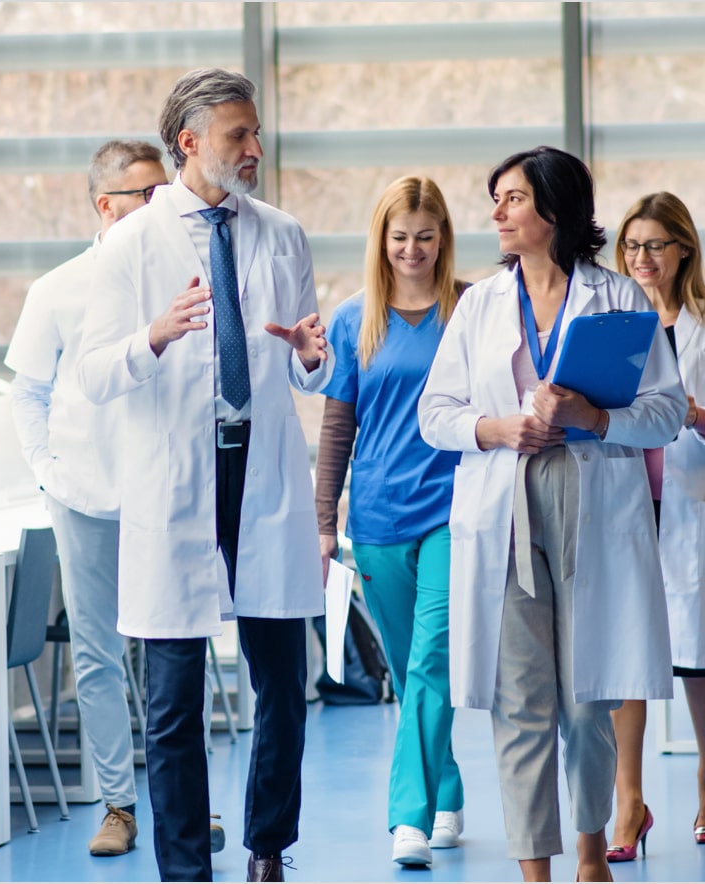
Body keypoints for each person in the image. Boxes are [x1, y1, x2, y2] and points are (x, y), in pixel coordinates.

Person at [77, 68, 333, 883]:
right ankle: (185, 868)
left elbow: (307, 366)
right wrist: (151, 336)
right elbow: (90, 374)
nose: (255, 149)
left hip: (261, 481)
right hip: (175, 487)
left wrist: (312, 359)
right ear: (188, 143)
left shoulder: (283, 233)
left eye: (256, 134)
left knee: (283, 689)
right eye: (237, 136)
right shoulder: (130, 245)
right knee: (174, 703)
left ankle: (266, 846)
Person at [417, 146, 687, 883]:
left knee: (586, 695)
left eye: (511, 199)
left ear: (554, 212)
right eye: (496, 198)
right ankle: (535, 868)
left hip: (591, 490)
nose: (496, 213)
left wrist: (593, 417)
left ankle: (592, 853)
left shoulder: (622, 300)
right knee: (520, 699)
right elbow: (434, 414)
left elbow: (663, 413)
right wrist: (498, 429)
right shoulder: (478, 305)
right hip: (505, 500)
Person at [5, 139, 169, 857]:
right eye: (148, 195)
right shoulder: (57, 289)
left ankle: (179, 798)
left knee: (171, 651)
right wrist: (47, 470)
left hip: (163, 493)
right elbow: (28, 390)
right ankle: (118, 806)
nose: (165, 206)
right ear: (108, 206)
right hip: (86, 496)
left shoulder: (176, 279)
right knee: (100, 655)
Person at [315, 176, 467, 867]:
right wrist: (325, 521)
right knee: (413, 675)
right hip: (376, 518)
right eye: (400, 237)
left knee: (433, 658)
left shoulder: (469, 310)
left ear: (444, 239)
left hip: (454, 512)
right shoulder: (354, 319)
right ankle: (447, 787)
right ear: (382, 240)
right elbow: (337, 426)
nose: (412, 249)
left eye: (425, 237)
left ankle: (407, 817)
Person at [606, 192, 705, 861]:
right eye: (632, 246)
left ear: (684, 249)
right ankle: (628, 803)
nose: (642, 259)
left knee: (696, 658)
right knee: (627, 659)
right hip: (626, 502)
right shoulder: (609, 321)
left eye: (655, 246)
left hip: (691, 499)